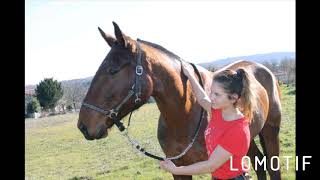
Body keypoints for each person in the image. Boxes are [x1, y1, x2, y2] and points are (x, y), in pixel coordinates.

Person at [159, 62, 256, 180]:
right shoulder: (217, 112)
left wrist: (176, 170)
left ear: (234, 98)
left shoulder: (238, 130)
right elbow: (202, 98)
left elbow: (211, 165)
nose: (211, 97)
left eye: (217, 94)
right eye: (211, 92)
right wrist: (190, 75)